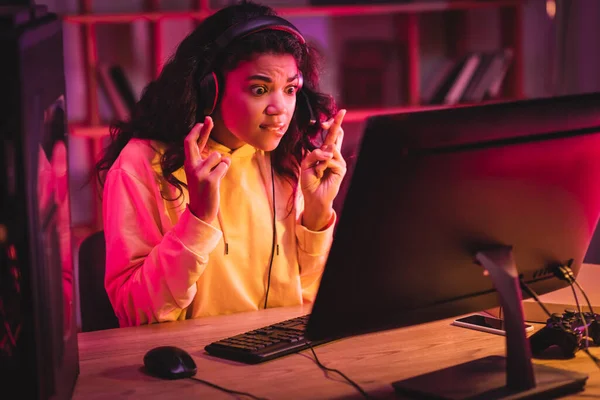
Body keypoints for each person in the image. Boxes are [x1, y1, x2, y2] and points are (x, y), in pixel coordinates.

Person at [95, 0, 347, 326]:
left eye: (289, 89)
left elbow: (309, 301)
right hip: (189, 365)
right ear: (210, 89)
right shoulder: (140, 165)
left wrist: (317, 213)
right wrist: (196, 219)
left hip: (277, 361)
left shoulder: (289, 160)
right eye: (260, 89)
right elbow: (136, 313)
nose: (280, 108)